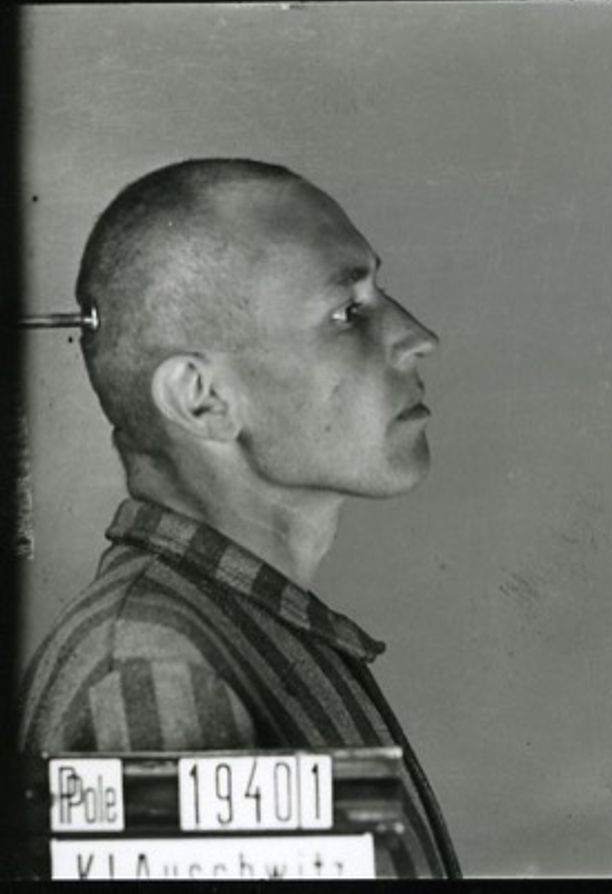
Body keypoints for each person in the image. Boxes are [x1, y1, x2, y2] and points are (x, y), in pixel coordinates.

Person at [15, 159, 458, 877]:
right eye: (349, 313)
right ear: (202, 400)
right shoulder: (153, 670)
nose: (418, 336)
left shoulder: (246, 634)